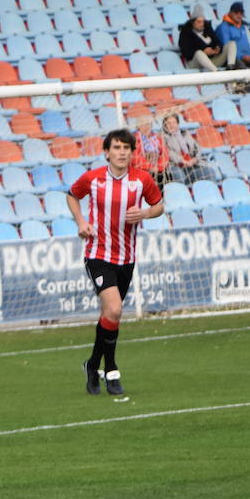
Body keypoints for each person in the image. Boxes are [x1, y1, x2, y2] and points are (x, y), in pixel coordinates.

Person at [65, 129, 165, 397]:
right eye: (116, 148)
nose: (121, 152)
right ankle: (111, 370)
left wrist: (145, 212)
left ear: (132, 153)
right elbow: (72, 195)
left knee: (110, 315)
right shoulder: (93, 178)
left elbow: (159, 205)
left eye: (126, 148)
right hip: (98, 254)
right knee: (115, 308)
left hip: (127, 258)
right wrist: (81, 222)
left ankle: (92, 365)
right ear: (107, 152)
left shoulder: (142, 180)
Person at [160, 114, 218, 184]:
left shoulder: (185, 133)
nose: (172, 125)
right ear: (164, 125)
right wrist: (182, 161)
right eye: (169, 123)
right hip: (175, 166)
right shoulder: (162, 137)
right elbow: (168, 152)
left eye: (174, 122)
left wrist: (195, 159)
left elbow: (197, 147)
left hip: (192, 164)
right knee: (179, 176)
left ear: (178, 124)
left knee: (209, 172)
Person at [177, 3, 236, 72]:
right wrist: (203, 51)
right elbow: (185, 51)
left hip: (212, 59)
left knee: (231, 44)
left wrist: (217, 48)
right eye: (199, 22)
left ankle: (230, 67)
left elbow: (217, 41)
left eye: (203, 21)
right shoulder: (185, 33)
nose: (202, 24)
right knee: (199, 53)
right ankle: (216, 72)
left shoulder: (208, 28)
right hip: (195, 63)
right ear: (193, 22)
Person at [215, 1, 250, 69]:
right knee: (241, 66)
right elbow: (227, 47)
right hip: (229, 59)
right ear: (230, 13)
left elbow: (245, 45)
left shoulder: (242, 26)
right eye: (236, 13)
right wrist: (242, 56)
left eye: (241, 13)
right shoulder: (223, 27)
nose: (239, 15)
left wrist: (249, 57)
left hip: (244, 57)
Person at [130, 117, 169, 188]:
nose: (146, 127)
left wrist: (158, 167)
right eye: (143, 125)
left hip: (158, 168)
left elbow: (165, 154)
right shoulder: (134, 139)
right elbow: (135, 158)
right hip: (143, 169)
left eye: (148, 124)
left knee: (167, 177)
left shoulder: (156, 138)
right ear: (138, 127)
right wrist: (150, 167)